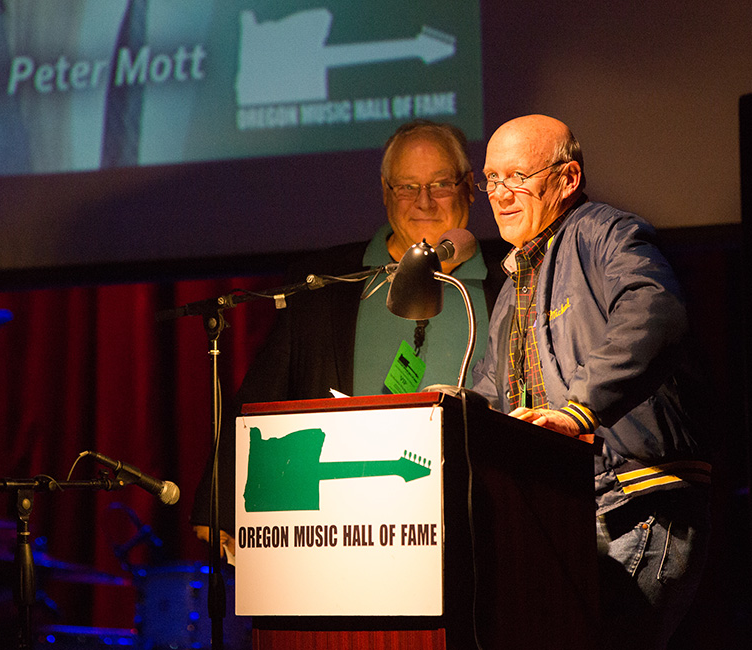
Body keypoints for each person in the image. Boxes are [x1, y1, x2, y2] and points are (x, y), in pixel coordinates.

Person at [190, 119, 490, 555]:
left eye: (441, 184)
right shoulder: (325, 283)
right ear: (386, 193)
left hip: (478, 524)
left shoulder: (510, 277)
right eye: (407, 187)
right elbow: (263, 392)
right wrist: (219, 504)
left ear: (467, 187)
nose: (424, 201)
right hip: (346, 531)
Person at [470, 114, 710, 649]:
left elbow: (655, 311)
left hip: (638, 503)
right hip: (567, 516)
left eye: (516, 177)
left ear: (567, 177)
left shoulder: (606, 232)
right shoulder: (514, 288)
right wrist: (443, 412)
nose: (499, 194)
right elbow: (494, 392)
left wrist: (581, 407)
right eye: (490, 180)